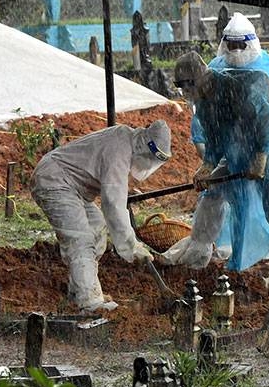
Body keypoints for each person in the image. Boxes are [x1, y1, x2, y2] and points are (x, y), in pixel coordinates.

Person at [166, 52, 269, 291]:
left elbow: (267, 120)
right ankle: (198, 250)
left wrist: (261, 155)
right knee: (213, 189)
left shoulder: (237, 86)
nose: (185, 93)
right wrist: (208, 166)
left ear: (197, 79)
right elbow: (215, 137)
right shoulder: (204, 103)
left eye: (186, 85)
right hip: (244, 148)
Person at [30, 120, 171, 313]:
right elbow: (113, 203)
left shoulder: (126, 141)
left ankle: (79, 290)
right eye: (150, 157)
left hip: (71, 185)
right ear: (145, 145)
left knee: (97, 228)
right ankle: (91, 303)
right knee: (80, 239)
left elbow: (113, 204)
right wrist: (131, 246)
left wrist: (129, 244)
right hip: (55, 180)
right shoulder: (119, 151)